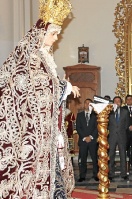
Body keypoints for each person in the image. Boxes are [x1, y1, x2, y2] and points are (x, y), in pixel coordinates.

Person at [0, 0, 80, 197]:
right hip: (31, 129)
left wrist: (59, 90)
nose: (56, 38)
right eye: (53, 34)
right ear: (41, 33)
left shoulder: (44, 58)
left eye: (57, 34)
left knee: (55, 178)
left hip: (47, 130)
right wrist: (64, 86)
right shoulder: (31, 56)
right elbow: (29, 86)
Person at [76, 99, 99, 182]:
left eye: (89, 104)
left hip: (92, 141)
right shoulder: (79, 115)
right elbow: (78, 128)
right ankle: (82, 175)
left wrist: (91, 137)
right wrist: (85, 137)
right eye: (86, 103)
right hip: (83, 140)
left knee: (94, 158)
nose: (87, 105)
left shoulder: (95, 115)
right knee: (83, 159)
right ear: (84, 104)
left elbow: (97, 128)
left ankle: (96, 174)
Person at [108, 96, 130, 180]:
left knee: (123, 154)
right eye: (115, 101)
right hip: (112, 136)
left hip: (122, 135)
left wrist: (121, 131)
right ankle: (111, 173)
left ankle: (123, 173)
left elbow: (127, 124)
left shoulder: (125, 112)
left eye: (118, 101)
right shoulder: (109, 112)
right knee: (111, 154)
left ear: (121, 103)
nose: (117, 103)